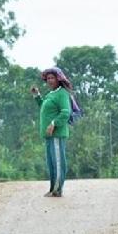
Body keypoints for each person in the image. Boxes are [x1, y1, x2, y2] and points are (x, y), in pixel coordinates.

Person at [31, 67, 80, 197]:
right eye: (48, 79)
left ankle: (58, 190)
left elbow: (65, 112)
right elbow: (43, 107)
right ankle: (53, 188)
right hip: (48, 135)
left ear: (58, 79)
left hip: (57, 134)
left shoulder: (62, 93)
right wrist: (37, 95)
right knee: (51, 163)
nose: (50, 80)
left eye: (52, 78)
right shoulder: (51, 94)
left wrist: (54, 123)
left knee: (58, 163)